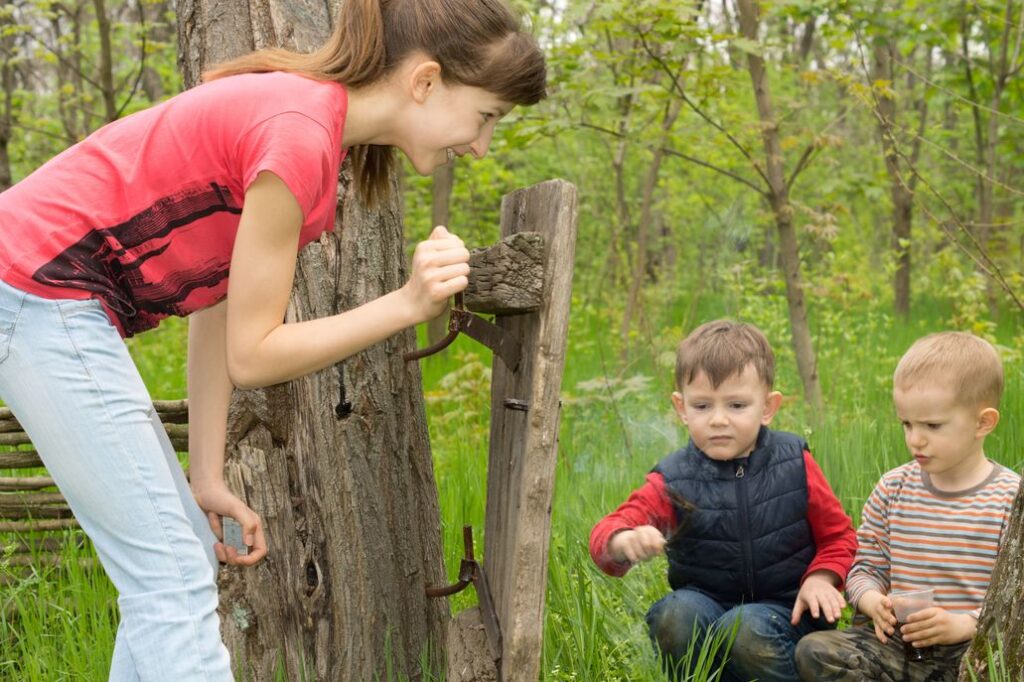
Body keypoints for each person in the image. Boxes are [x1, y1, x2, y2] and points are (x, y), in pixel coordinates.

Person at [0, 0, 546, 679]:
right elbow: (253, 354)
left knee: (181, 565)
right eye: (486, 115)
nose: (481, 143)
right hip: (34, 288)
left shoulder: (308, 123)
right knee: (171, 580)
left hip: (37, 292)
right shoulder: (299, 133)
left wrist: (205, 474)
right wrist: (408, 305)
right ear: (426, 82)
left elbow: (212, 301)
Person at [589, 320, 857, 682]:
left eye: (736, 405)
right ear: (681, 408)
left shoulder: (794, 462)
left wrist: (821, 579)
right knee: (674, 615)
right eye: (702, 406)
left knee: (744, 628)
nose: (718, 420)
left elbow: (839, 537)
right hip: (706, 607)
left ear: (767, 407)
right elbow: (610, 530)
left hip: (786, 615)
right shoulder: (674, 479)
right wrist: (623, 541)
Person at [795, 332, 1021, 682]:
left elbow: (1016, 599)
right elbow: (865, 567)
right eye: (907, 424)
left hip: (971, 652)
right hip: (898, 645)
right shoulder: (893, 488)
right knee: (816, 651)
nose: (915, 439)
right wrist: (871, 601)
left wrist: (964, 624)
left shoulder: (1009, 499)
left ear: (983, 423)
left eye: (932, 425)